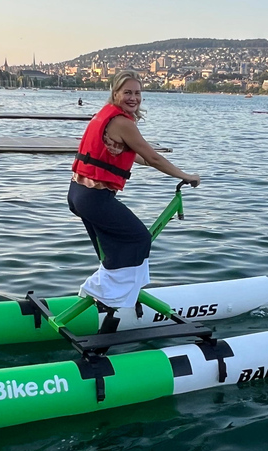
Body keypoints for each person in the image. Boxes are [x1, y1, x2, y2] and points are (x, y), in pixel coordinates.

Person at [68, 70, 200, 309]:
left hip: (78, 194)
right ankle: (110, 297)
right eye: (127, 92)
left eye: (137, 93)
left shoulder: (105, 116)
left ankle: (111, 293)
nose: (133, 97)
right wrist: (186, 176)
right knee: (139, 239)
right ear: (115, 93)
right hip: (95, 197)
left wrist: (145, 161)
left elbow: (131, 155)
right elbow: (153, 158)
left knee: (110, 249)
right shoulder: (122, 122)